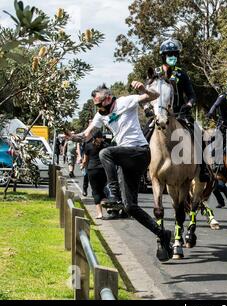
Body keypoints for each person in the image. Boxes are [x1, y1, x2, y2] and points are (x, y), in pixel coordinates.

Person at [68, 82, 173, 261]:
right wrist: (72, 136)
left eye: (101, 104)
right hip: (126, 159)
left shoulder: (126, 101)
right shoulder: (100, 116)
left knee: (106, 152)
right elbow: (86, 135)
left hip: (139, 152)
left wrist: (143, 90)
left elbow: (153, 96)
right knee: (130, 206)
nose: (100, 108)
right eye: (96, 106)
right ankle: (162, 234)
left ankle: (114, 194)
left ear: (108, 99)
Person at [147, 38, 210, 182]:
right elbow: (146, 94)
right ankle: (143, 166)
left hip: (180, 114)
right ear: (163, 56)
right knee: (144, 134)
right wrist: (147, 109)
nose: (173, 57)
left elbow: (192, 96)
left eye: (175, 54)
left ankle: (203, 168)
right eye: (169, 54)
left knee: (199, 135)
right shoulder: (155, 73)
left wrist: (187, 106)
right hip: (159, 114)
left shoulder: (182, 74)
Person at [81, 130, 108, 219]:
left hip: (92, 170)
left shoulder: (88, 146)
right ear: (100, 138)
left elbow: (85, 160)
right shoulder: (105, 146)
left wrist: (83, 167)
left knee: (95, 191)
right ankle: (106, 206)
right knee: (102, 190)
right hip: (103, 170)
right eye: (101, 137)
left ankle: (100, 213)